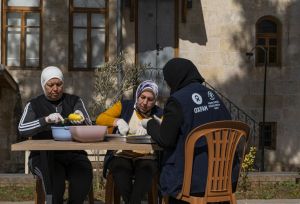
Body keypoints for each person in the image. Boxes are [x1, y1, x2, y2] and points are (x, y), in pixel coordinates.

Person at [143, 58, 239, 204]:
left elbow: (165, 139)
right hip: (223, 179)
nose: (168, 85)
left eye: (168, 81)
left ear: (175, 78)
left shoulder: (177, 101)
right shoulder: (213, 96)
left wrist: (149, 123)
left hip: (191, 182)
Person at [18, 66, 93, 204]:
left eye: (59, 84)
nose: (55, 88)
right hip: (43, 157)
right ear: (43, 85)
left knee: (82, 177)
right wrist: (45, 120)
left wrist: (81, 119)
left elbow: (89, 126)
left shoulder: (74, 100)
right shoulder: (34, 105)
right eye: (50, 85)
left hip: (74, 155)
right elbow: (22, 129)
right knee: (55, 186)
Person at [95, 80, 163, 204]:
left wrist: (151, 126)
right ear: (137, 95)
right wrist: (117, 122)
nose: (145, 102)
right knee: (120, 170)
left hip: (147, 157)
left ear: (155, 101)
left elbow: (165, 130)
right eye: (142, 97)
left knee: (146, 171)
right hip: (121, 154)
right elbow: (100, 119)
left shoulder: (159, 113)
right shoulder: (124, 105)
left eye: (150, 99)